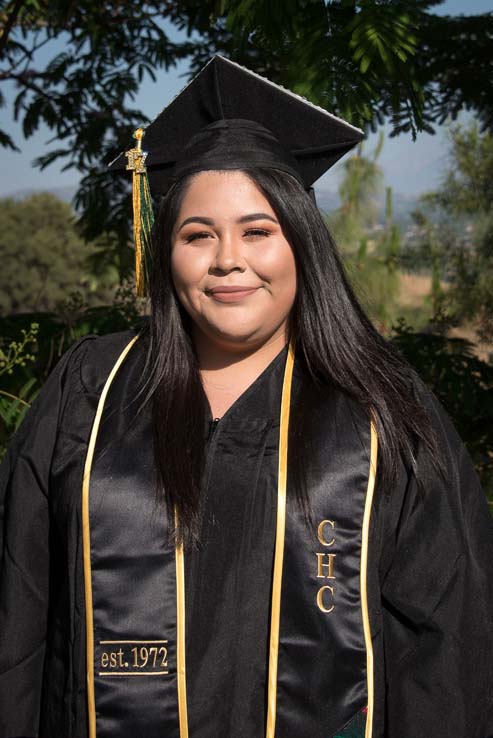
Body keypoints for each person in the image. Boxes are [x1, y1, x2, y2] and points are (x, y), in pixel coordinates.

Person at [0, 55, 492, 738]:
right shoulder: (93, 388)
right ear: (166, 253)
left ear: (300, 243)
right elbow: (18, 614)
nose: (227, 258)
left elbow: (447, 644)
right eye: (197, 234)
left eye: (257, 231)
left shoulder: (379, 410)